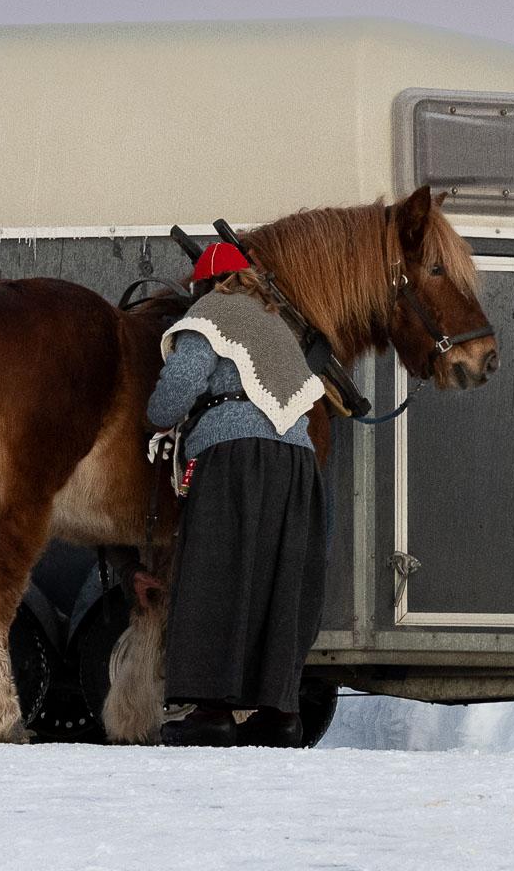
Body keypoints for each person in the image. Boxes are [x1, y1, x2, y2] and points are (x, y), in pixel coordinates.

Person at [146, 243, 329, 747]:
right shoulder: (276, 325)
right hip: (297, 462)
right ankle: (280, 713)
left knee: (217, 574)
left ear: (204, 284)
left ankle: (212, 712)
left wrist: (156, 415)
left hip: (237, 456)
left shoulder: (209, 313)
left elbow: (178, 388)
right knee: (279, 582)